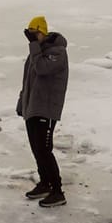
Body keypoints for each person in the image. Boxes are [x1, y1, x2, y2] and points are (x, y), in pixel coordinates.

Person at [16, 15, 69, 208]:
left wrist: (34, 47)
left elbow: (42, 69)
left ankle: (57, 191)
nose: (31, 39)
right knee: (36, 149)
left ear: (42, 33)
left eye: (33, 34)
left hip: (46, 109)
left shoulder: (57, 53)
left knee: (44, 151)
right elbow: (28, 81)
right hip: (33, 107)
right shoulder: (36, 53)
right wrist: (22, 103)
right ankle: (45, 183)